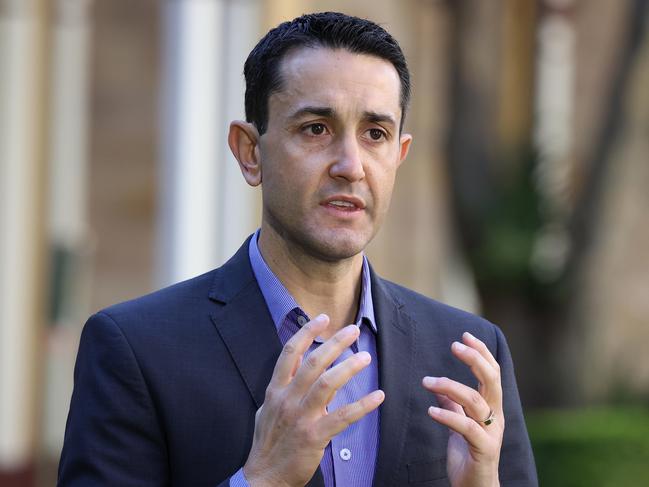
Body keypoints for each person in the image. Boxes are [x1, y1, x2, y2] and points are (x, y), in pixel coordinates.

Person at [58, 11, 537, 487]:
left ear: (398, 155)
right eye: (316, 129)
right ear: (250, 152)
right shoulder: (136, 349)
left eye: (375, 134)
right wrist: (262, 479)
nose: (351, 166)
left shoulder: (467, 353)